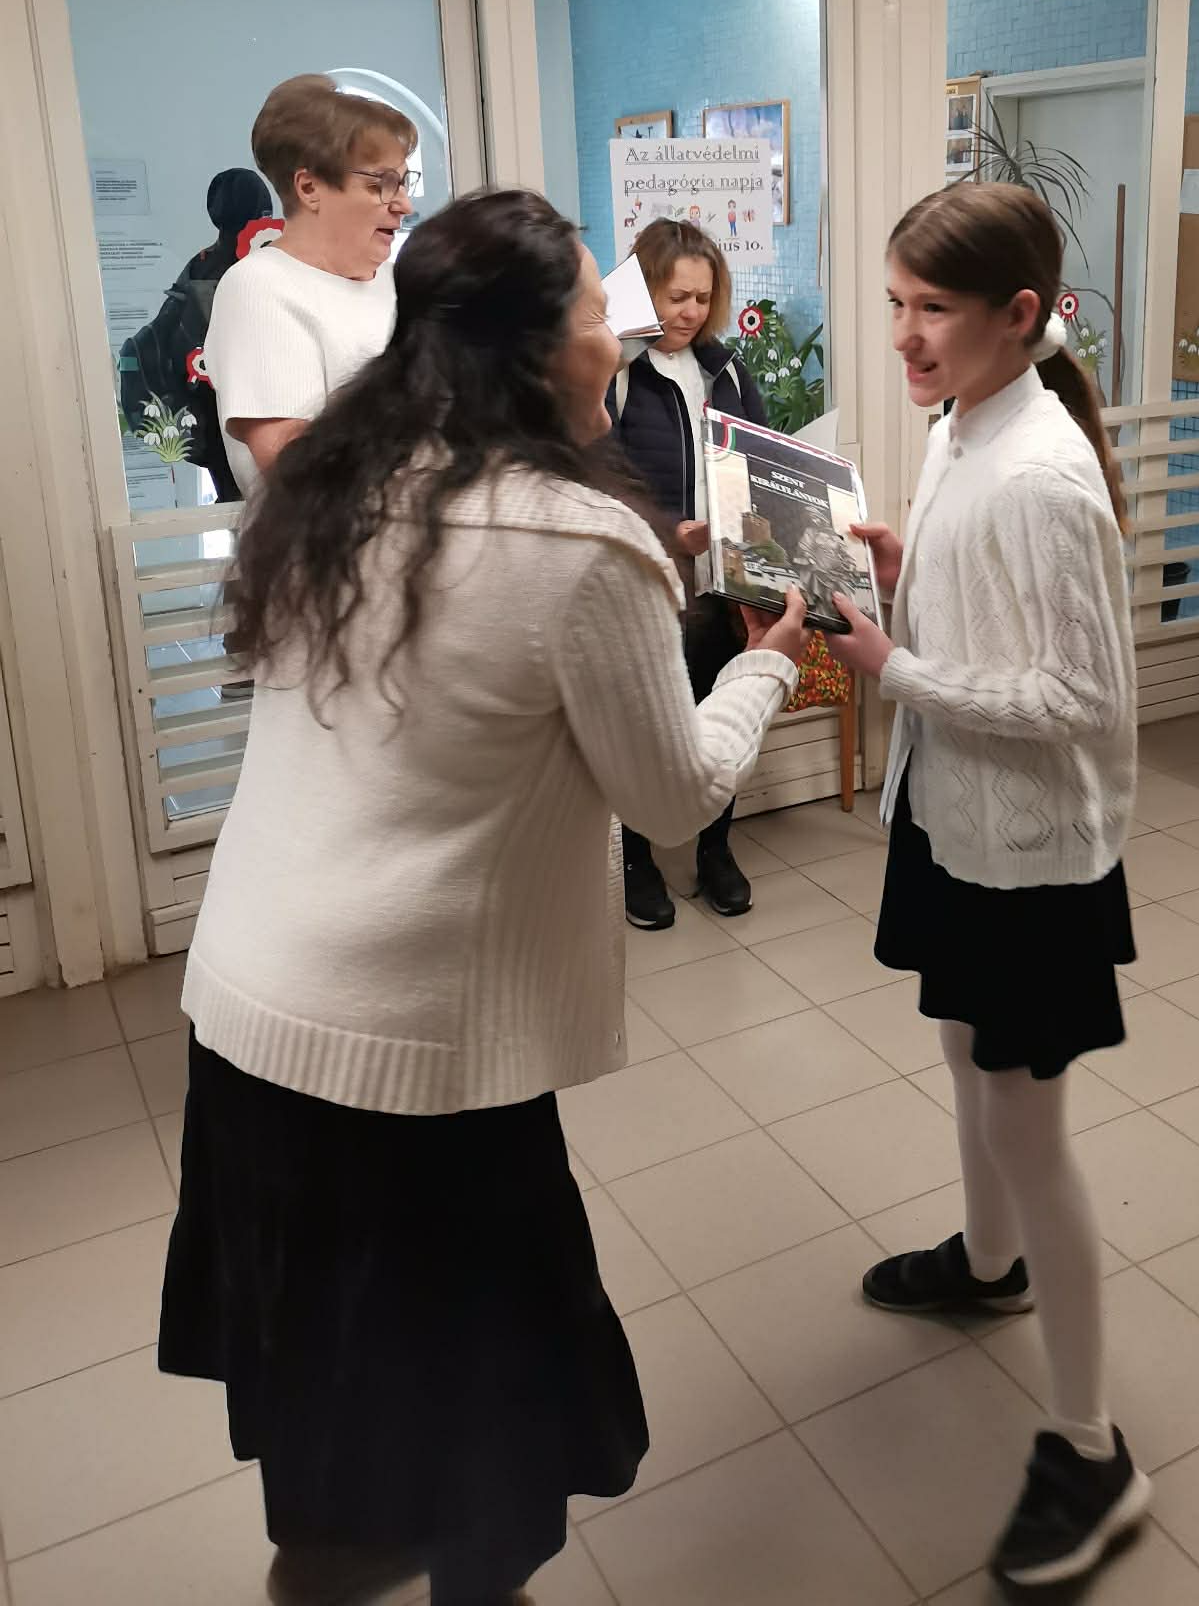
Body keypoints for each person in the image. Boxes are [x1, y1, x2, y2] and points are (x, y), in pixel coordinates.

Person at [157, 189, 806, 1606]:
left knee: (329, 1419)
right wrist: (771, 659)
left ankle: (329, 1568)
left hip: (250, 1028)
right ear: (538, 348)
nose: (616, 337)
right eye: (595, 311)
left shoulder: (337, 484)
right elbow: (675, 796)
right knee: (483, 1440)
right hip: (414, 1062)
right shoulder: (579, 539)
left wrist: (659, 582)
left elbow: (468, 663)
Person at [824, 183, 1148, 1591]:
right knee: (962, 1053)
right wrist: (909, 579)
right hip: (951, 813)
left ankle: (1091, 1446)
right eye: (896, 304)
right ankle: (988, 1263)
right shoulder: (963, 424)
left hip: (1028, 861)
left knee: (1029, 1126)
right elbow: (985, 625)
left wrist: (896, 668)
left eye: (933, 310)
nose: (904, 335)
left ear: (1020, 316)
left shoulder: (1044, 475)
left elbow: (1080, 698)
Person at [607, 217, 769, 929]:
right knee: (645, 725)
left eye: (703, 298)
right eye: (676, 297)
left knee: (717, 706)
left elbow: (763, 458)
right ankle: (636, 861)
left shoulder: (726, 372)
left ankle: (715, 849)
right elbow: (598, 482)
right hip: (649, 584)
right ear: (644, 292)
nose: (690, 312)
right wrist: (668, 532)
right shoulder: (617, 375)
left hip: (720, 584)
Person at [203, 74, 416, 494]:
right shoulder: (260, 287)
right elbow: (297, 467)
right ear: (309, 187)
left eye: (404, 182)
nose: (404, 205)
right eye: (380, 184)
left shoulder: (403, 285)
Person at [117, 167, 276, 502]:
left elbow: (164, 332)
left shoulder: (200, 265)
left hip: (213, 414)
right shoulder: (268, 262)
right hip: (256, 412)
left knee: (239, 505)